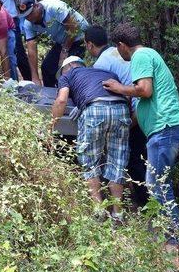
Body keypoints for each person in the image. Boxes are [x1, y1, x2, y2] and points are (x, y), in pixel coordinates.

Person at [102, 22, 179, 246]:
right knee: (161, 181)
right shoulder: (149, 55)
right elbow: (145, 98)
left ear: (122, 46)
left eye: (117, 48)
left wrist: (119, 87)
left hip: (165, 127)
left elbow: (145, 90)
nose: (118, 53)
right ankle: (173, 234)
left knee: (157, 183)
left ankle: (173, 240)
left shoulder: (140, 56)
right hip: (165, 128)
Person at [52, 56, 130, 220]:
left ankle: (99, 211)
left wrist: (51, 126)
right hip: (121, 110)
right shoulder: (106, 72)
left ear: (71, 65)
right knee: (117, 162)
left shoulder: (69, 74)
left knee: (89, 161)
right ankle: (118, 213)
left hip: (95, 110)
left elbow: (61, 100)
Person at [85, 25, 148, 206]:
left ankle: (146, 204)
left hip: (131, 111)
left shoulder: (101, 63)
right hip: (143, 108)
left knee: (132, 159)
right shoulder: (118, 52)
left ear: (89, 45)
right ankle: (146, 202)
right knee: (142, 157)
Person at [17, 0, 89, 87]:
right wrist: (35, 77)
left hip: (80, 38)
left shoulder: (54, 7)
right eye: (25, 16)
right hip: (62, 41)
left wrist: (65, 50)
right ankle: (49, 96)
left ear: (37, 6)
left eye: (30, 13)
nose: (29, 18)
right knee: (47, 68)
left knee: (68, 68)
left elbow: (73, 27)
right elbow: (32, 50)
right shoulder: (28, 24)